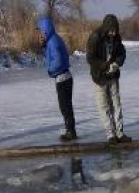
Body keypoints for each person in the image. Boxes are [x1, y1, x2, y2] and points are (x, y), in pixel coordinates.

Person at [86, 14, 129, 144]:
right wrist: (105, 66)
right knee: (104, 107)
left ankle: (120, 133)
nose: (112, 33)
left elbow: (122, 53)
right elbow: (90, 58)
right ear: (105, 28)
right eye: (110, 30)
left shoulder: (116, 37)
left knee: (116, 105)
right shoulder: (95, 37)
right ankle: (110, 135)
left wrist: (117, 63)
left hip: (113, 76)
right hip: (99, 77)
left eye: (115, 30)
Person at [36, 16, 77, 142]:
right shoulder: (52, 40)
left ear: (46, 30)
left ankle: (70, 131)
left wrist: (50, 70)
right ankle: (70, 130)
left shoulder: (53, 41)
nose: (40, 34)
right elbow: (53, 56)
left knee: (65, 106)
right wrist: (44, 46)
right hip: (64, 76)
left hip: (63, 77)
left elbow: (58, 60)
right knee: (65, 105)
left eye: (41, 31)